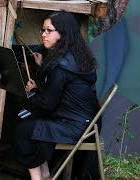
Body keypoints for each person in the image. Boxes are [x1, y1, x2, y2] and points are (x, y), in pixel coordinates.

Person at [13, 11, 100, 180]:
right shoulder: (74, 56)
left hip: (74, 126)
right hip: (85, 121)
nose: (44, 34)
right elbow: (60, 90)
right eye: (43, 30)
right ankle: (45, 174)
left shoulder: (60, 66)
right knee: (29, 120)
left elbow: (47, 104)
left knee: (23, 127)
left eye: (49, 30)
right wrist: (43, 65)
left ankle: (37, 178)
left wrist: (34, 91)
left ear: (62, 34)